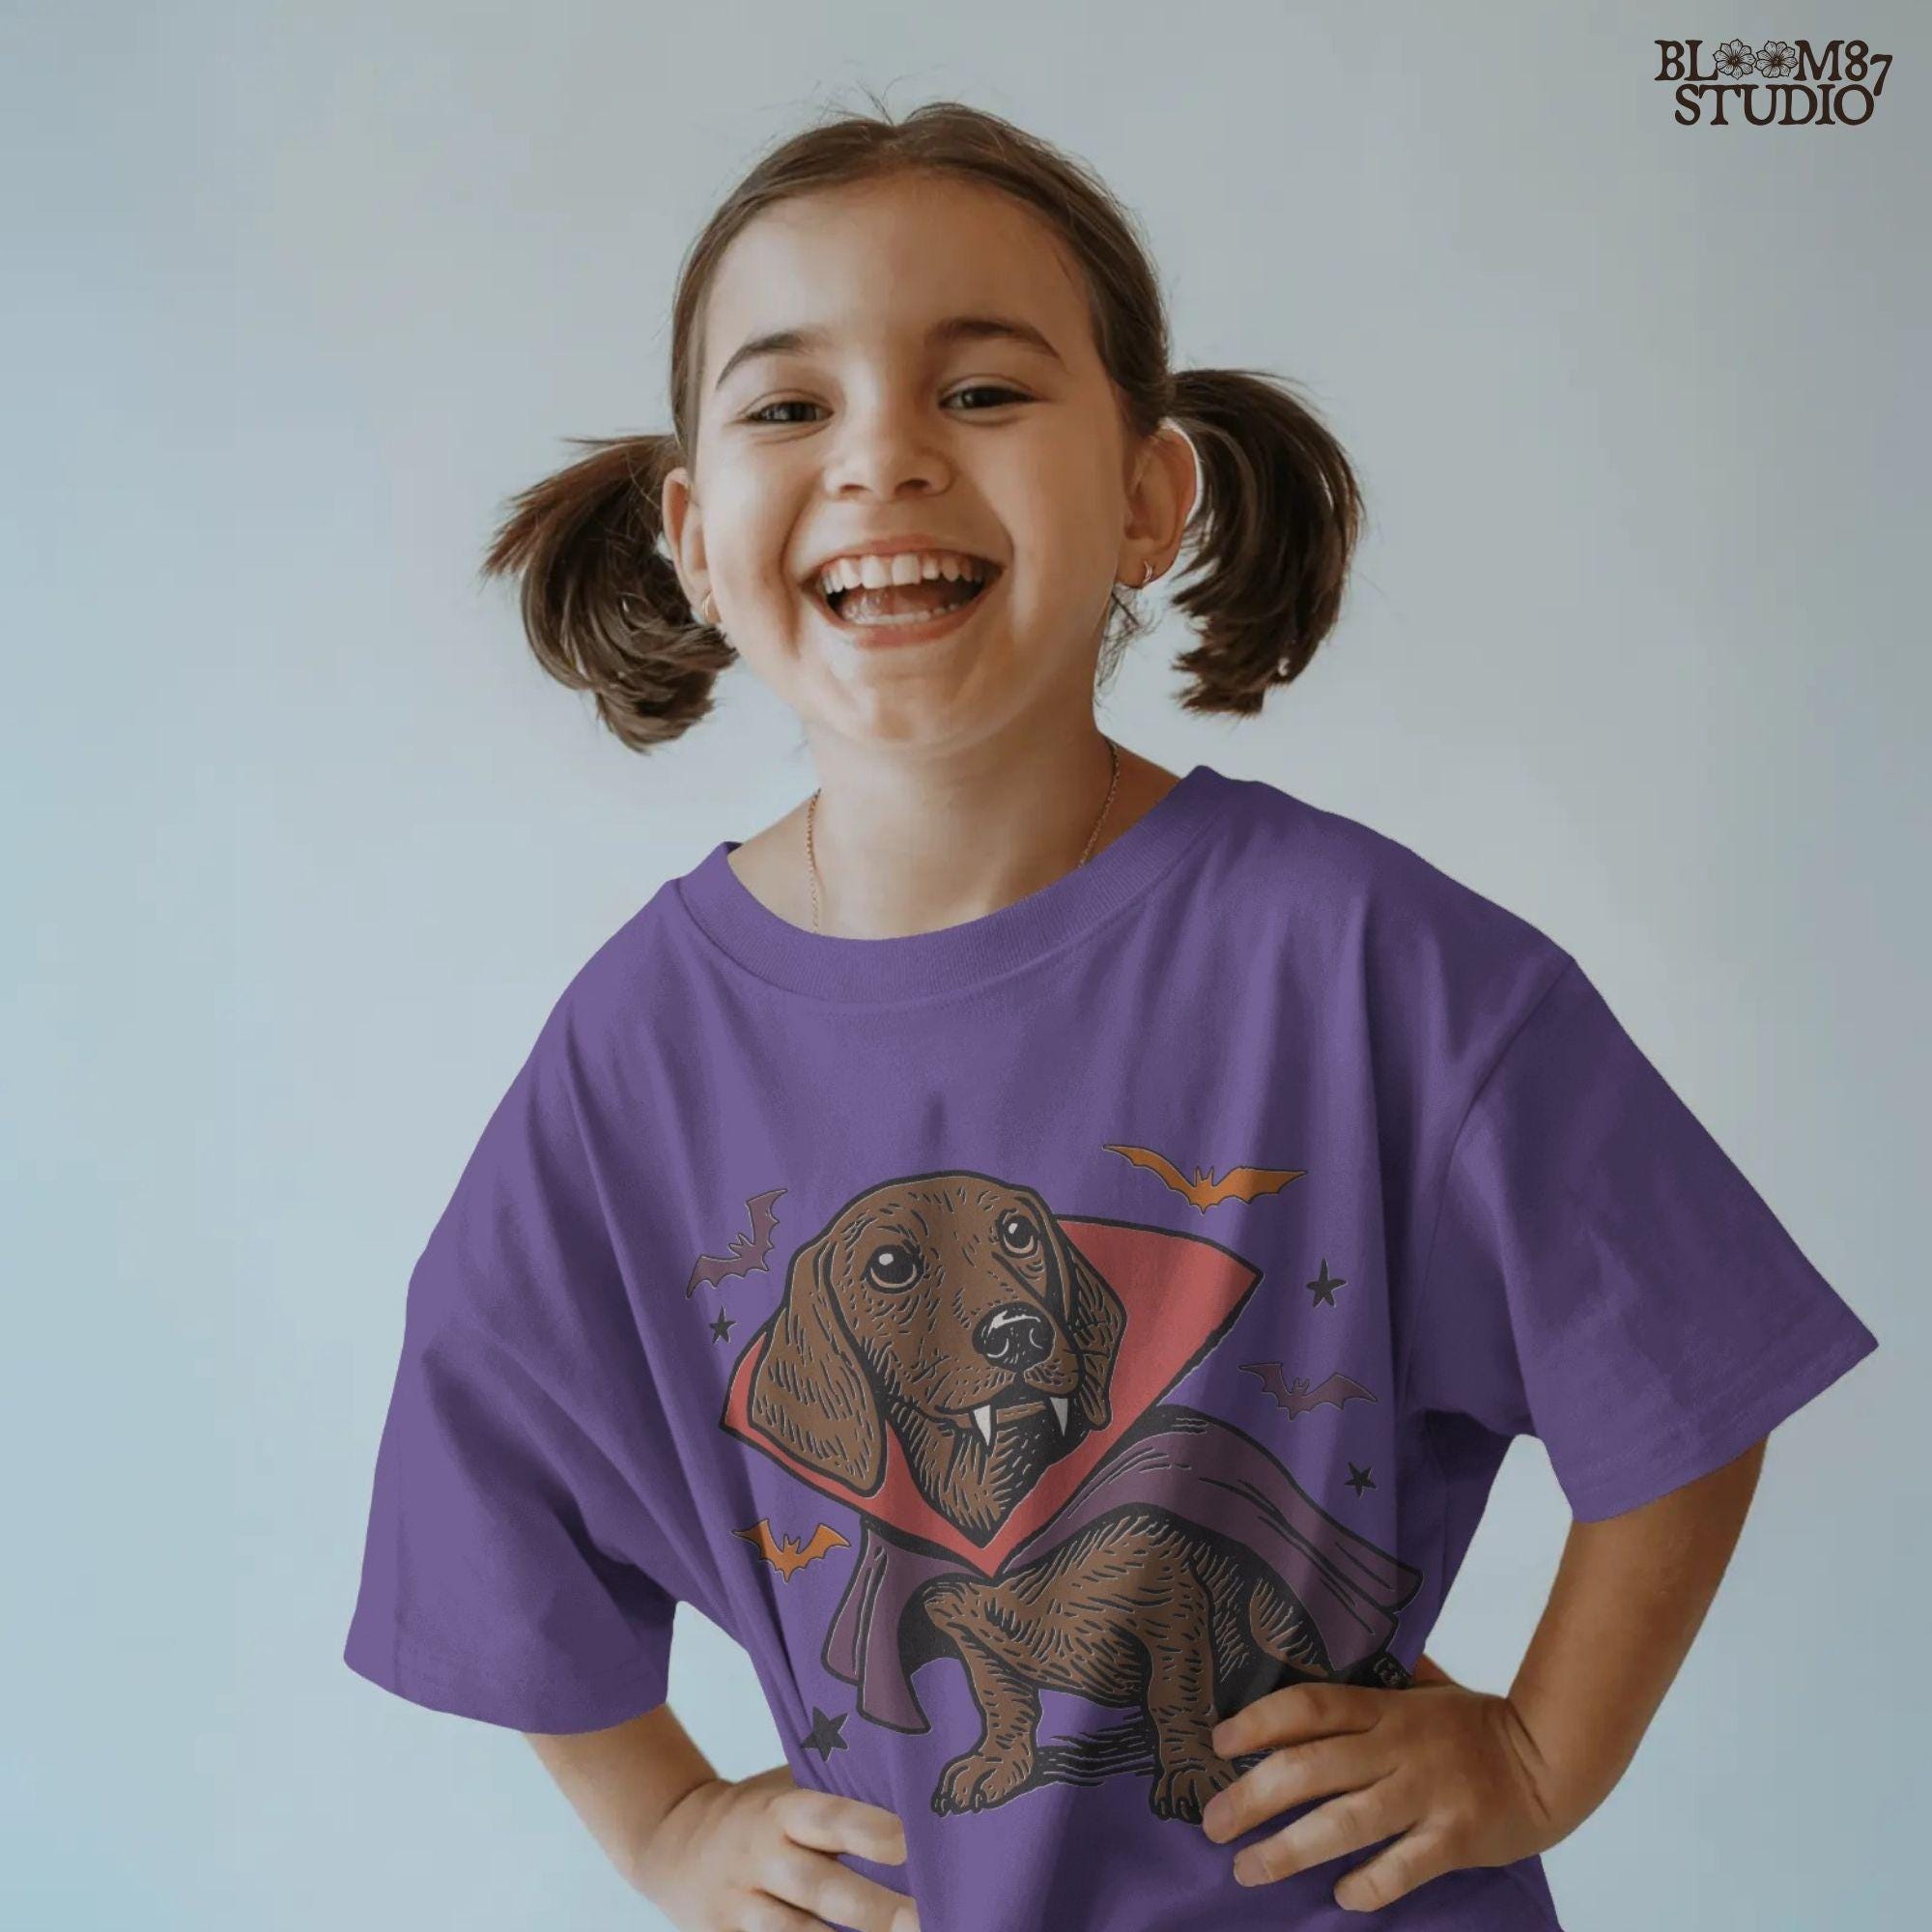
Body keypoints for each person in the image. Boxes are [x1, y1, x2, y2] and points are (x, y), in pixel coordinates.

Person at [342, 97, 1879, 1932]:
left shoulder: (1361, 958)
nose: (881, 458)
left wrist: (1546, 1753)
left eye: (981, 392)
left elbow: (1691, 1373)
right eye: (787, 405)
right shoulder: (635, 1053)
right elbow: (488, 1482)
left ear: (1149, 498)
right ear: (691, 530)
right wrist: (667, 1824)